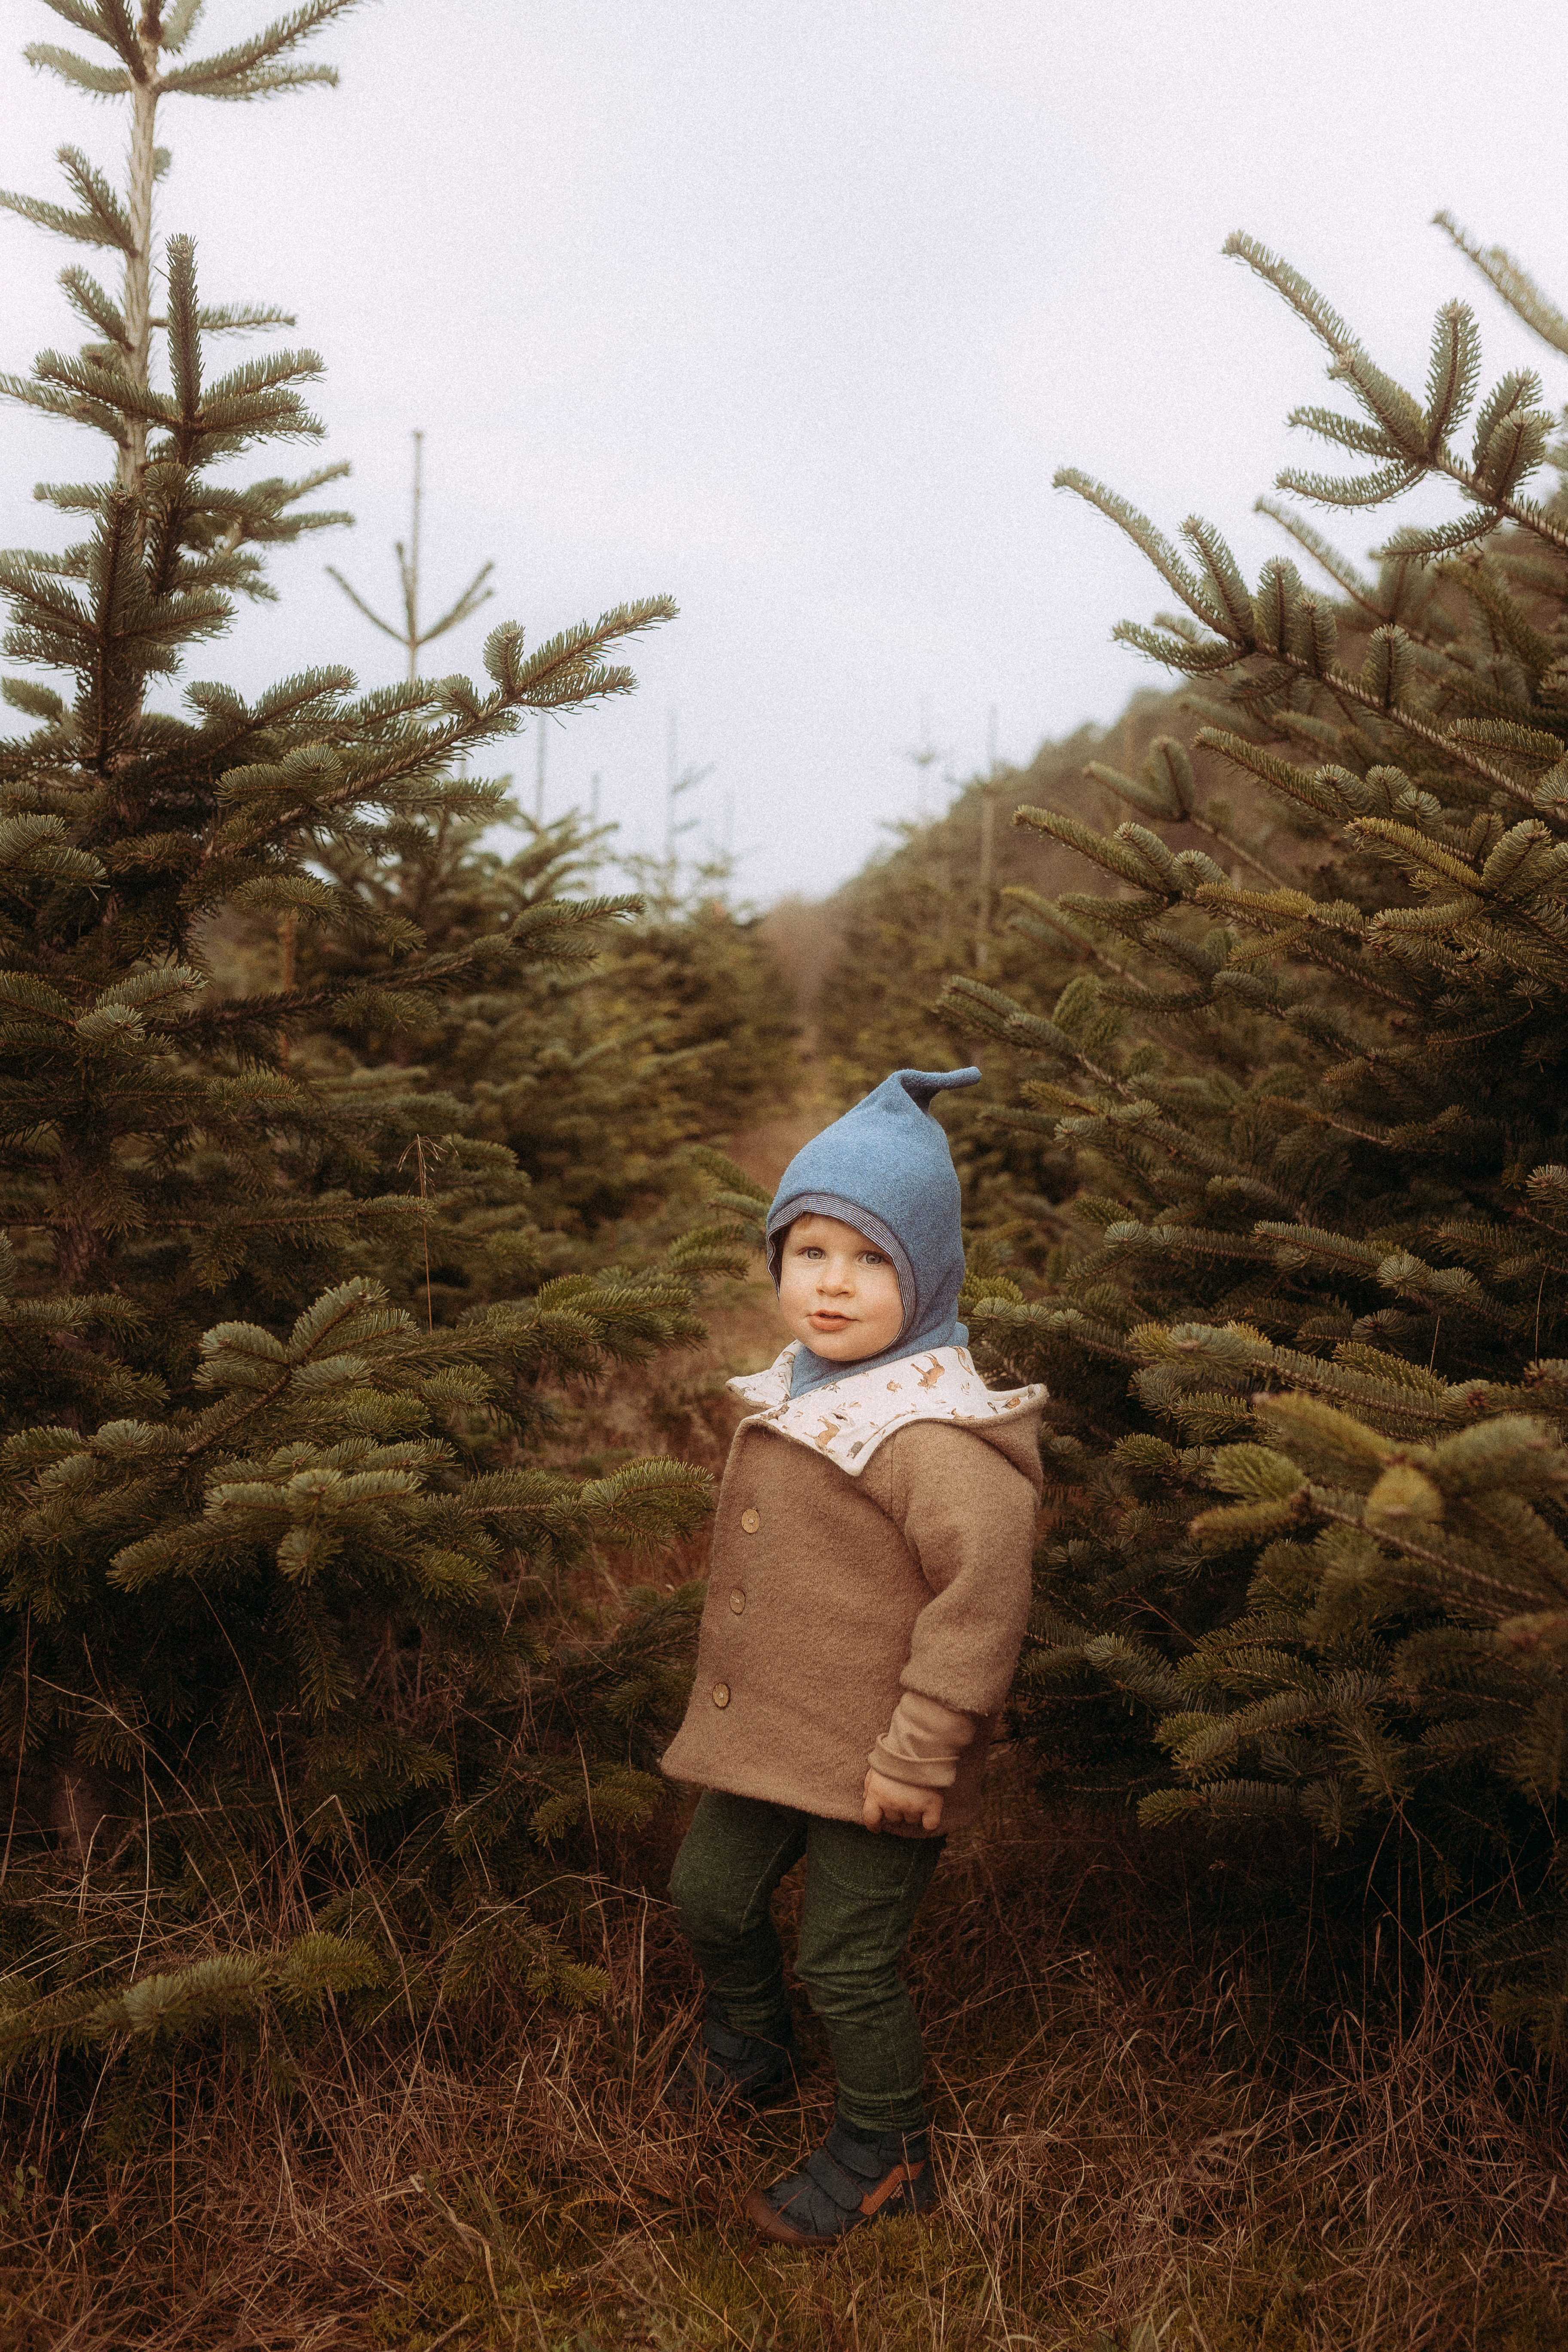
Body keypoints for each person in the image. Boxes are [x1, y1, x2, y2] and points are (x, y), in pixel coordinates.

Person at [659, 1066, 1046, 2248]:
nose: (833, 1285)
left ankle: (890, 2151)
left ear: (925, 1276)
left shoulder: (931, 1432)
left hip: (885, 1757)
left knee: (847, 1957)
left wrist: (923, 1756)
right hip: (781, 1735)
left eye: (872, 1260)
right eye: (810, 1251)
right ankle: (752, 2045)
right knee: (708, 1895)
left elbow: (981, 1600)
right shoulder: (806, 1388)